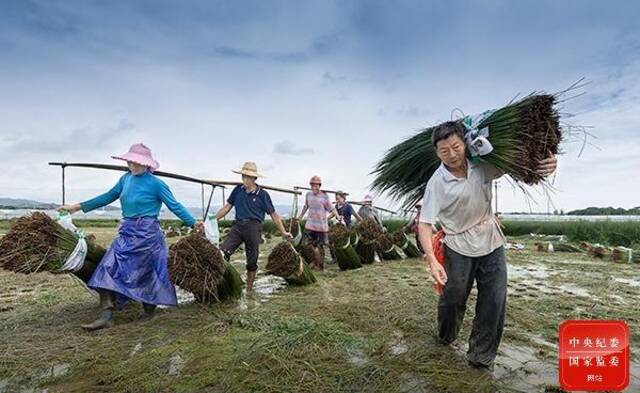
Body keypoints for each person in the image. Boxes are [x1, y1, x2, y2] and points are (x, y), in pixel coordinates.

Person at [417, 121, 557, 371]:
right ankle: (446, 334)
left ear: (464, 143)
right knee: (453, 297)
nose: (451, 154)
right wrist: (433, 259)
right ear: (436, 153)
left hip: (490, 239)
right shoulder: (436, 183)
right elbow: (425, 224)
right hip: (458, 244)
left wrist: (547, 163)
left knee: (494, 298)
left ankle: (481, 356)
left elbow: (521, 166)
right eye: (444, 150)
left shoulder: (482, 164)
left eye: (456, 146)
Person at [58, 143, 197, 331]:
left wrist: (193, 222)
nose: (133, 165)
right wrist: (77, 207)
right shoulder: (125, 179)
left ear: (147, 164)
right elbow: (107, 196)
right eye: (130, 161)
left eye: (137, 162)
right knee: (107, 267)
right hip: (127, 232)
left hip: (148, 235)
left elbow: (175, 205)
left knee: (146, 273)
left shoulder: (157, 184)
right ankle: (106, 315)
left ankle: (149, 312)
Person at [216, 162, 291, 291]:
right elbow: (227, 207)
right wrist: (211, 220)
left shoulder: (262, 194)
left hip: (254, 227)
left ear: (254, 178)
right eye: (243, 176)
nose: (244, 179)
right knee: (223, 252)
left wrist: (283, 232)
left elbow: (273, 214)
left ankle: (249, 288)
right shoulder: (237, 190)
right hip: (238, 226)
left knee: (252, 260)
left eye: (247, 177)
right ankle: (224, 283)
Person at [297, 176, 340, 271]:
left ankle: (320, 266)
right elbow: (306, 206)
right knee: (305, 244)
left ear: (319, 186)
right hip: (310, 224)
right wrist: (300, 216)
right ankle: (313, 261)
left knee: (320, 247)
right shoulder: (308, 194)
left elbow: (332, 208)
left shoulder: (324, 196)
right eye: (312, 185)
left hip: (321, 226)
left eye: (316, 185)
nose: (313, 187)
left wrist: (337, 216)